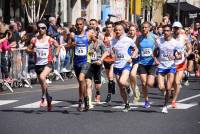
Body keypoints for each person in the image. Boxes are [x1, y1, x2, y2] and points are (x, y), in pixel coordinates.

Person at [28, 23, 60, 111]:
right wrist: (31, 50)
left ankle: (45, 97)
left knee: (42, 77)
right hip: (38, 64)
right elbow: (28, 49)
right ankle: (46, 98)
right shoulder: (34, 40)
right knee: (42, 83)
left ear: (46, 29)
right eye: (39, 28)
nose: (41, 29)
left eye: (43, 28)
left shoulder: (50, 39)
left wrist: (55, 56)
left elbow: (58, 47)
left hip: (48, 63)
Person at [154, 24, 181, 113]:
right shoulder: (159, 41)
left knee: (168, 87)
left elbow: (180, 55)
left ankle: (165, 106)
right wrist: (155, 59)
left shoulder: (175, 43)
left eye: (167, 31)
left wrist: (174, 57)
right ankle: (166, 93)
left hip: (171, 67)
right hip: (161, 66)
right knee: (161, 87)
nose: (165, 32)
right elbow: (155, 51)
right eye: (164, 31)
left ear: (171, 32)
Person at [110, 23, 137, 112]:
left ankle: (129, 86)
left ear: (122, 31)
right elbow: (112, 51)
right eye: (116, 30)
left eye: (119, 30)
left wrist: (131, 57)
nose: (117, 31)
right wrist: (112, 54)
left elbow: (136, 49)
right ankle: (127, 104)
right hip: (117, 65)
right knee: (121, 87)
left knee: (122, 81)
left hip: (126, 64)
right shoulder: (112, 41)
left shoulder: (128, 40)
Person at [68, 17, 92, 112]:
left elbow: (96, 41)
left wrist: (93, 48)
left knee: (82, 79)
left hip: (86, 62)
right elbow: (68, 45)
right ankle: (86, 100)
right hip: (76, 62)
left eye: (81, 24)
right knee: (81, 83)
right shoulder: (73, 35)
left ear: (84, 25)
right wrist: (71, 45)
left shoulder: (88, 34)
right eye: (77, 24)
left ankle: (80, 101)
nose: (79, 26)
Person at [136, 21, 157, 108]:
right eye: (142, 27)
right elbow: (136, 48)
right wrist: (134, 55)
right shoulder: (139, 38)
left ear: (149, 28)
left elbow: (159, 48)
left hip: (151, 63)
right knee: (144, 83)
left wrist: (157, 57)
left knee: (149, 83)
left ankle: (155, 82)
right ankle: (146, 100)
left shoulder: (154, 37)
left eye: (145, 27)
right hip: (142, 63)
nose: (144, 29)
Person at [171, 21, 192, 108]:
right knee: (170, 83)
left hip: (181, 63)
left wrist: (188, 53)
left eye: (177, 28)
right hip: (170, 63)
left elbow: (189, 47)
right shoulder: (169, 37)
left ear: (180, 29)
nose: (175, 30)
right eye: (174, 28)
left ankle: (174, 100)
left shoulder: (184, 38)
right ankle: (172, 92)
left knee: (177, 82)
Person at [86, 29, 105, 108]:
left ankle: (97, 92)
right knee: (88, 83)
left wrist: (101, 60)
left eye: (92, 33)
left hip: (97, 64)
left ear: (95, 34)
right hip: (89, 64)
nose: (90, 35)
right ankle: (89, 101)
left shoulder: (100, 42)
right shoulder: (86, 42)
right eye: (89, 33)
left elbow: (105, 52)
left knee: (97, 85)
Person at [102, 21, 116, 104]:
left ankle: (109, 95)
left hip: (114, 59)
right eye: (107, 27)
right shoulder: (104, 36)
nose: (108, 28)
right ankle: (112, 84)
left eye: (110, 27)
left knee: (111, 76)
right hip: (106, 59)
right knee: (109, 78)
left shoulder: (116, 35)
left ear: (113, 28)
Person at [128, 24, 140, 103]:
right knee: (130, 79)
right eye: (130, 30)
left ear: (136, 31)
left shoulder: (138, 39)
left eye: (133, 30)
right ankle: (135, 91)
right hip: (129, 60)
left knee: (132, 74)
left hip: (137, 60)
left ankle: (136, 91)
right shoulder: (127, 39)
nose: (131, 32)